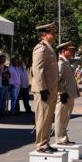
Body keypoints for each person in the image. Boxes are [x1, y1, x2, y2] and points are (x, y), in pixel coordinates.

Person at [31, 22, 59, 153]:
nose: (54, 36)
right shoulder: (41, 48)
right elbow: (37, 69)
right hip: (44, 90)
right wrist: (42, 89)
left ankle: (46, 142)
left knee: (48, 117)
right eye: (52, 33)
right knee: (42, 117)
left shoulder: (49, 48)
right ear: (44, 34)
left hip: (50, 89)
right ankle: (41, 145)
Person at [54, 41, 81, 145]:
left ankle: (64, 137)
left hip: (69, 94)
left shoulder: (65, 61)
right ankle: (60, 139)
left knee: (65, 118)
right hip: (64, 95)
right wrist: (62, 92)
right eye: (70, 51)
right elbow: (57, 78)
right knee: (61, 117)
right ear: (64, 51)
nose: (72, 53)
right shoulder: (61, 62)